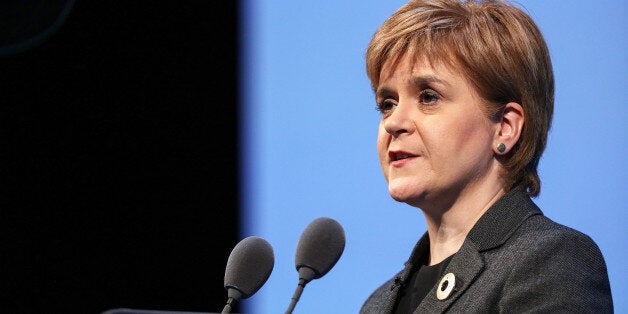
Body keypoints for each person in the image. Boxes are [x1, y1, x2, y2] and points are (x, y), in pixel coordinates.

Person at [359, 0, 613, 313]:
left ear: (504, 128)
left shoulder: (550, 260)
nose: (394, 122)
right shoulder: (376, 305)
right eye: (387, 103)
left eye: (428, 97)